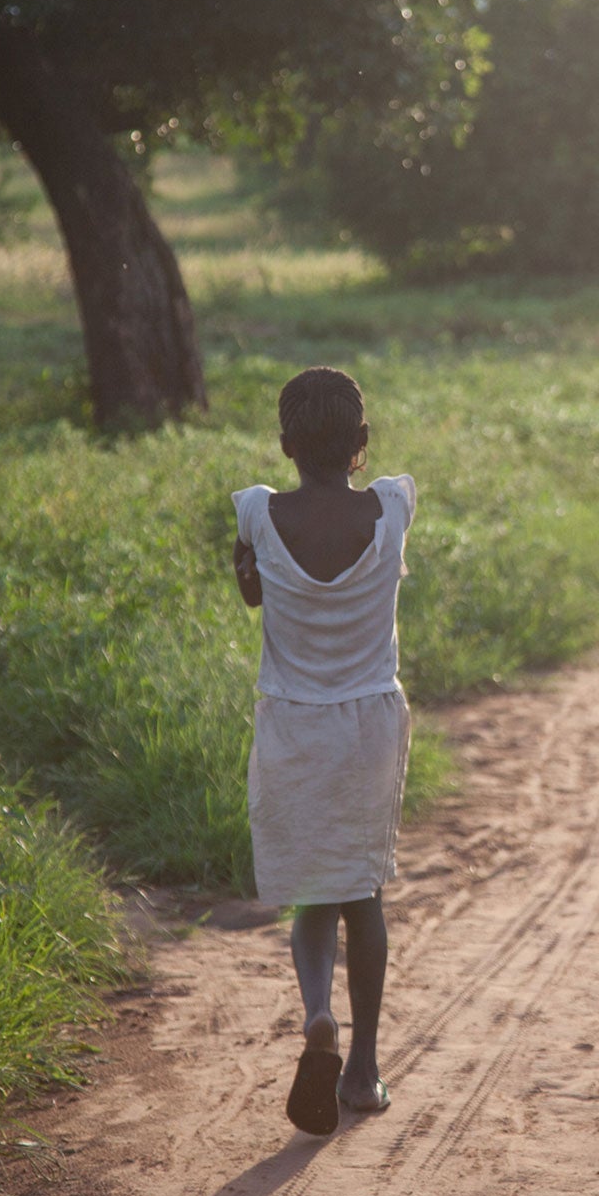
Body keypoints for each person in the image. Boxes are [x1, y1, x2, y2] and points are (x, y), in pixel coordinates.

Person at [231, 367, 416, 1135]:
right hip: (369, 722)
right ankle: (365, 1068)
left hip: (293, 725)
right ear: (362, 446)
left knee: (312, 892)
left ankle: (317, 1016)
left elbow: (251, 593)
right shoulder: (393, 506)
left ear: (283, 447)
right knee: (362, 896)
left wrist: (251, 561)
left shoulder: (256, 513)